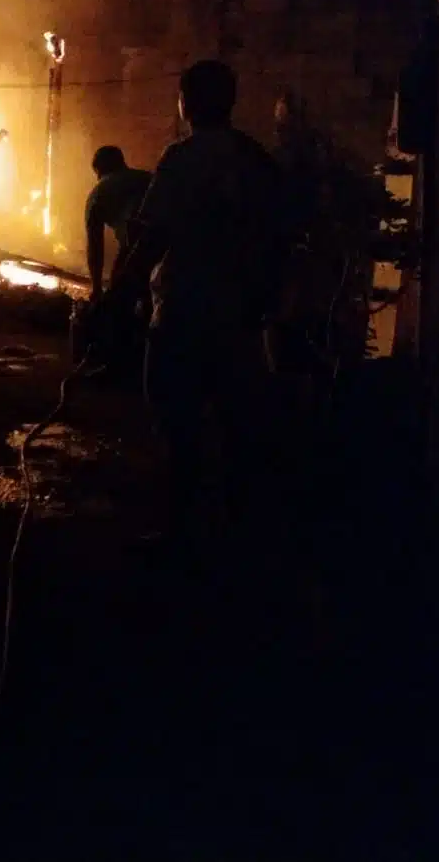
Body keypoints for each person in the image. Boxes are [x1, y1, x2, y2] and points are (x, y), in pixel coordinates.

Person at [110, 59, 287, 548]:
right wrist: (267, 300)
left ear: (186, 102)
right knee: (237, 428)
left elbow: (152, 237)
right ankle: (238, 536)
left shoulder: (181, 158)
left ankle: (181, 533)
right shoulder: (255, 160)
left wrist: (117, 296)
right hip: (240, 317)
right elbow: (281, 235)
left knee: (176, 422)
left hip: (183, 312)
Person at [84, 144, 151, 300]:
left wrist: (96, 288)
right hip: (172, 246)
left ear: (98, 170)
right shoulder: (147, 177)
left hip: (136, 248)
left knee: (118, 301)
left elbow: (95, 245)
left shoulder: (98, 193)